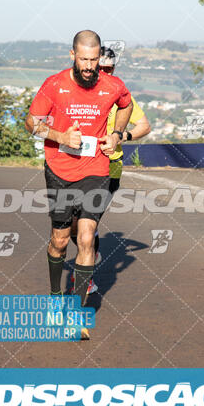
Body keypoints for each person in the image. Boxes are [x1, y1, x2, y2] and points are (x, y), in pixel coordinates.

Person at [25, 30, 133, 339]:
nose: (89, 67)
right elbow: (31, 122)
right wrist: (60, 137)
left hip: (95, 169)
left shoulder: (113, 86)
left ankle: (76, 313)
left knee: (86, 238)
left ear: (101, 57)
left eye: (94, 60)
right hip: (59, 170)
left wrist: (116, 134)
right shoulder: (55, 85)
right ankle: (54, 297)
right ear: (73, 55)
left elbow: (125, 106)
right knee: (60, 241)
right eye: (83, 60)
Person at [70, 46, 151, 294]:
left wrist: (121, 135)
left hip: (108, 165)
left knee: (88, 225)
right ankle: (91, 250)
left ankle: (85, 275)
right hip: (76, 163)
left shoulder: (118, 91)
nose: (104, 71)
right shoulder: (77, 89)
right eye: (100, 67)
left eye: (109, 68)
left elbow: (144, 126)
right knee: (73, 226)